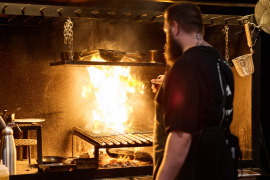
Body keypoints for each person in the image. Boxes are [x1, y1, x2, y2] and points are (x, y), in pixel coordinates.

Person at [151, 2, 239, 180]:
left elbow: (181, 137)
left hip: (197, 169)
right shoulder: (221, 63)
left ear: (174, 28)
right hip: (223, 167)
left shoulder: (184, 66)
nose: (167, 40)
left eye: (166, 32)